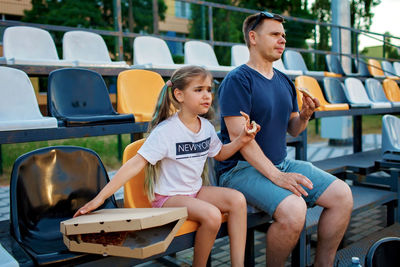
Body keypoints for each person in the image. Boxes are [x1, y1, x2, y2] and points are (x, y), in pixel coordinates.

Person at [74, 66, 260, 267]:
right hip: (168, 198)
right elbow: (134, 164)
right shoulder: (166, 131)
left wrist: (242, 139)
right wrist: (99, 198)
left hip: (194, 192)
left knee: (238, 200)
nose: (206, 95)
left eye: (208, 89)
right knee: (212, 215)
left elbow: (221, 154)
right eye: (198, 90)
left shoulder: (206, 127)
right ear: (179, 95)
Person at [217, 12, 353, 267]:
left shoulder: (285, 82)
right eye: (274, 34)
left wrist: (305, 115)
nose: (282, 40)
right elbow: (241, 139)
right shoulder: (237, 80)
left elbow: (293, 130)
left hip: (281, 163)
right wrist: (277, 177)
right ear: (253, 38)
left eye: (283, 36)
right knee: (294, 209)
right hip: (238, 169)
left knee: (342, 195)